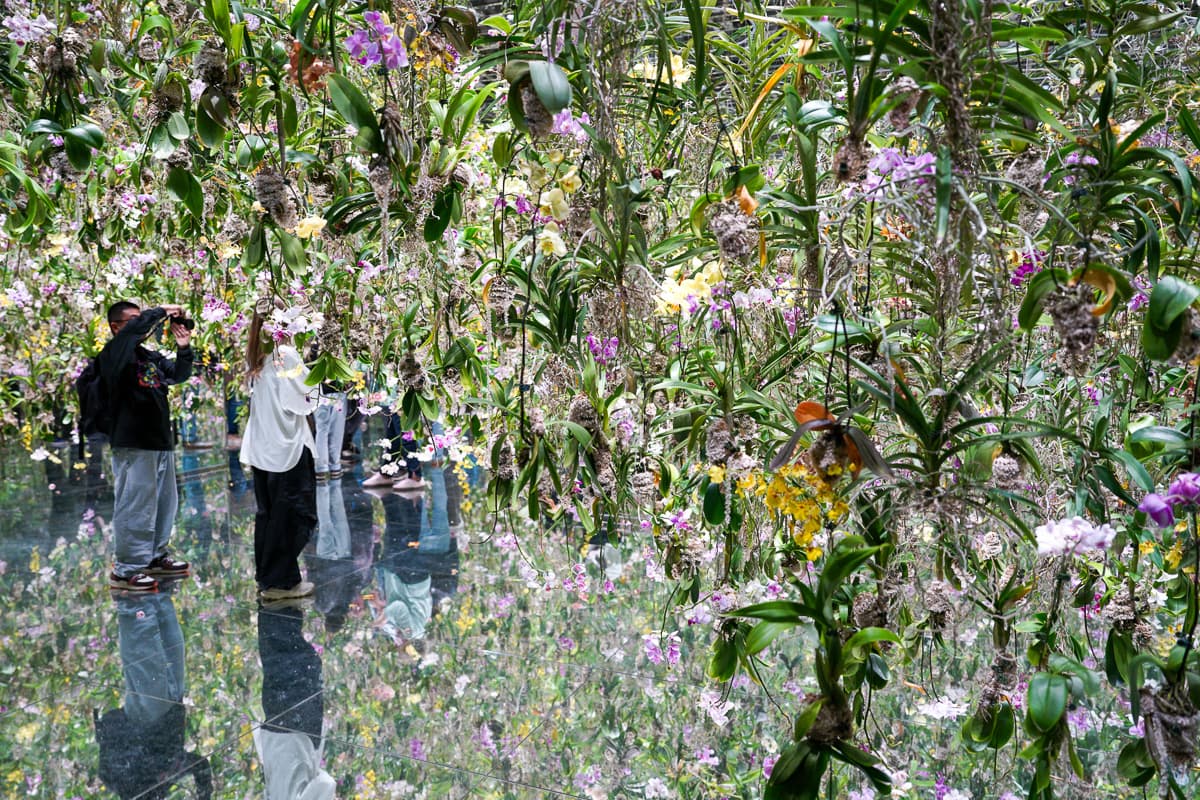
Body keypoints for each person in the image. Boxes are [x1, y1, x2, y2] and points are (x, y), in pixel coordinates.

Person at [98, 301, 194, 592]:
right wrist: (159, 311)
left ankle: (154, 556)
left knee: (165, 504)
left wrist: (184, 347)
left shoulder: (147, 356)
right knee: (135, 506)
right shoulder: (114, 354)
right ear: (117, 327)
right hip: (133, 443)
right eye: (133, 320)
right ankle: (126, 569)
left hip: (160, 441)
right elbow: (139, 328)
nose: (141, 325)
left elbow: (178, 374)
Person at [239, 306, 319, 600]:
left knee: (270, 514)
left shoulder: (257, 360)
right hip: (287, 447)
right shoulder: (286, 357)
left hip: (263, 448)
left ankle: (272, 577)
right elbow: (305, 400)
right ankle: (280, 583)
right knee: (295, 514)